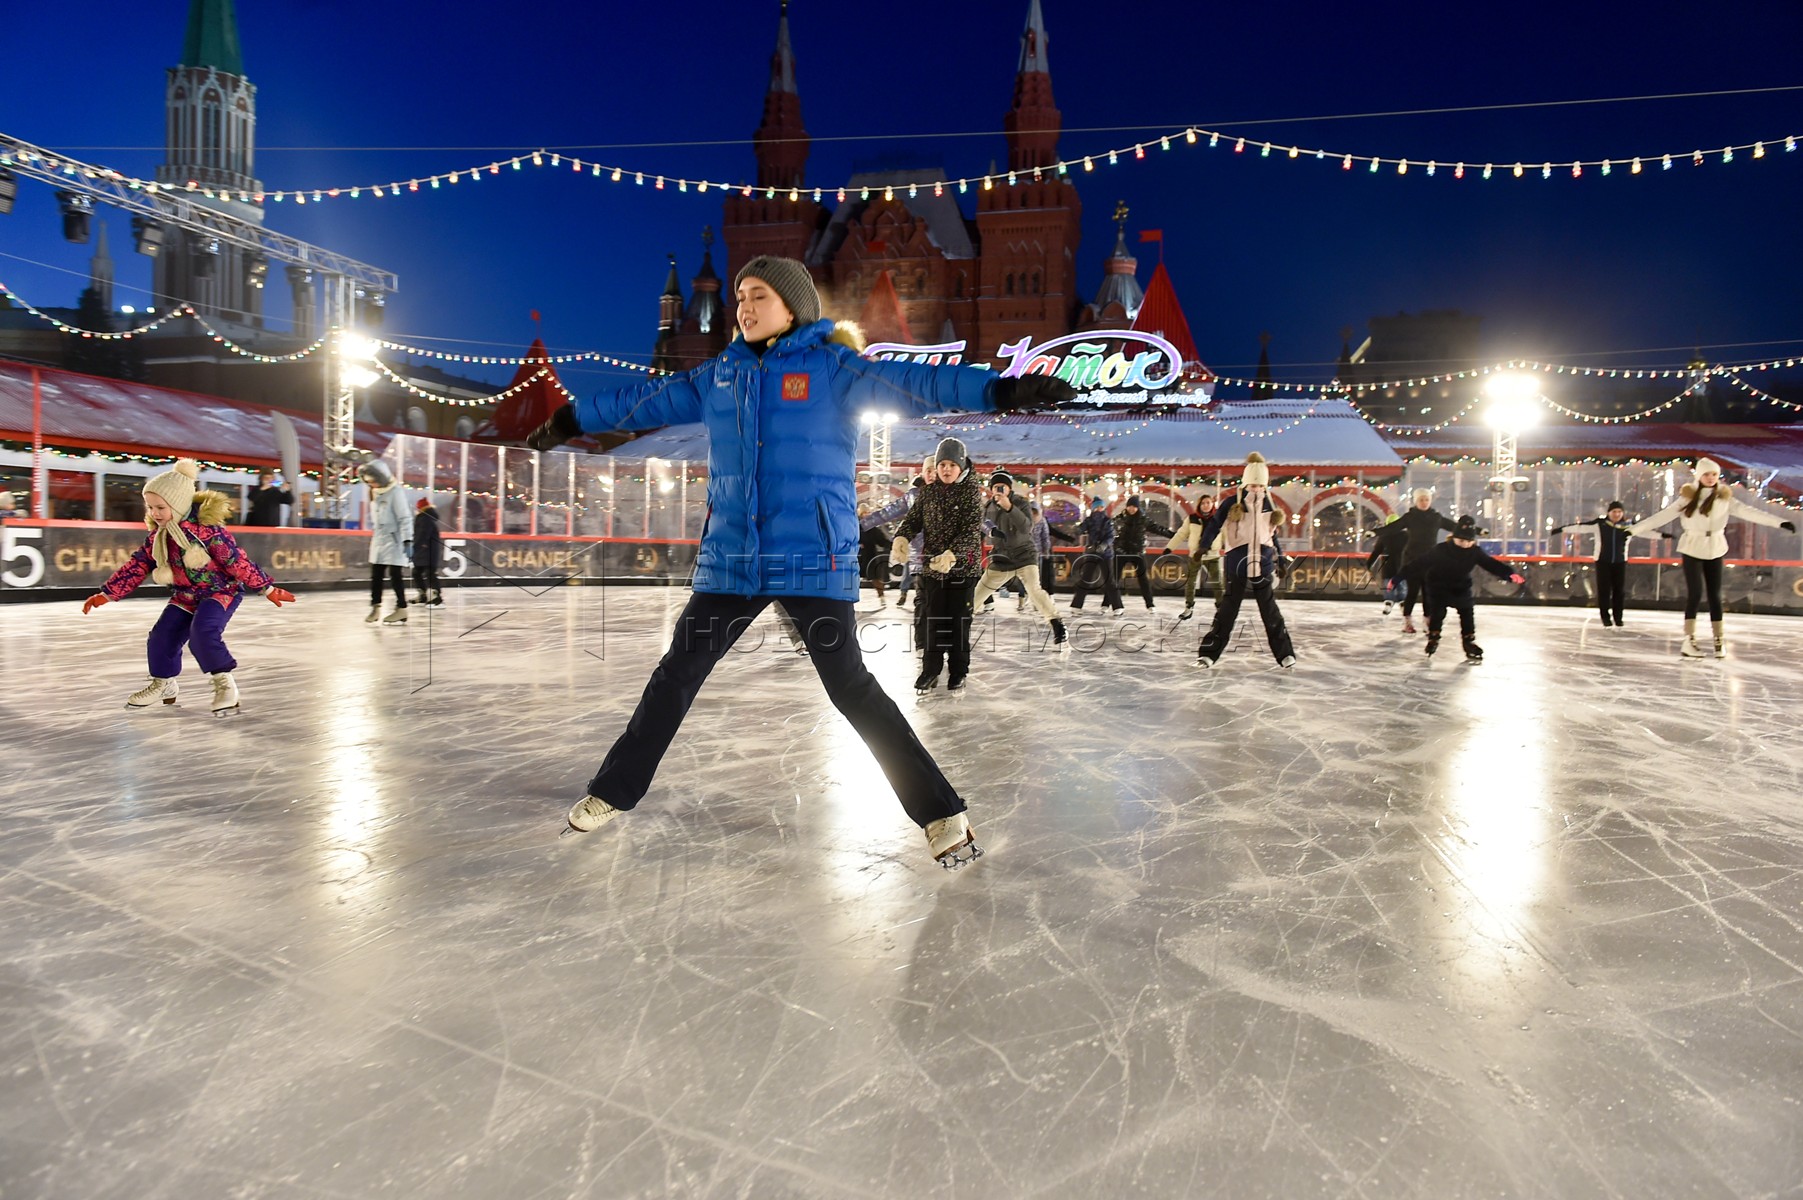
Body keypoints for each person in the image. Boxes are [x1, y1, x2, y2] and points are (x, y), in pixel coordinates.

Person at [525, 254, 1074, 866]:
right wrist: (573, 416)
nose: (745, 306)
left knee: (852, 689)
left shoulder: (833, 369)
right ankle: (613, 791)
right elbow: (645, 401)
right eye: (740, 296)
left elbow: (923, 385)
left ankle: (942, 813)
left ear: (794, 306)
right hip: (733, 559)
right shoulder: (719, 377)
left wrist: (998, 387)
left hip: (811, 556)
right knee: (676, 675)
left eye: (759, 294)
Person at [80, 458, 295, 714]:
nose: (154, 513)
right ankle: (164, 683)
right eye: (150, 507)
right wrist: (108, 593)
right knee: (160, 637)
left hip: (220, 592)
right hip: (185, 595)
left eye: (160, 507)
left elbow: (236, 561)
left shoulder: (208, 532)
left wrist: (267, 588)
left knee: (202, 634)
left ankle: (224, 683)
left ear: (179, 504)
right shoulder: (159, 536)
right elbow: (137, 566)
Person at [1627, 458, 1795, 658]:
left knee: (1715, 596)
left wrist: (1780, 522)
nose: (1711, 478)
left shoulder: (1724, 497)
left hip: (1715, 547)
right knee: (1695, 594)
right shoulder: (1687, 498)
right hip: (1692, 547)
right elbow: (1663, 516)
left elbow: (1750, 512)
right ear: (1699, 476)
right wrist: (1633, 530)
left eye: (1714, 474)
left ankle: (1718, 640)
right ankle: (1689, 640)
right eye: (1707, 474)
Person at [894, 438, 986, 691]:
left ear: (961, 466)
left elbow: (970, 532)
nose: (946, 469)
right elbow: (913, 520)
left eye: (951, 464)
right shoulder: (929, 492)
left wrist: (952, 555)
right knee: (933, 621)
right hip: (933, 568)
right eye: (941, 464)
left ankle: (958, 671)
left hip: (962, 570)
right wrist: (902, 537)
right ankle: (930, 670)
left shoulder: (971, 493)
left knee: (957, 622)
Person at [1195, 453, 1296, 670]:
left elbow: (1272, 534)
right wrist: (1204, 545)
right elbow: (1214, 524)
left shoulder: (1269, 503)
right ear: (1246, 481)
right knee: (1228, 610)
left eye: (1260, 484)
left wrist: (1280, 559)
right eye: (1253, 483)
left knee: (1269, 610)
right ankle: (1208, 654)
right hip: (1237, 563)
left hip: (1263, 563)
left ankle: (1285, 654)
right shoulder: (1233, 502)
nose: (1256, 488)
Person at [1404, 514, 1524, 660]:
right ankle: (1433, 637)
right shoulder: (1441, 549)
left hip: (1460, 586)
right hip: (1439, 585)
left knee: (1467, 611)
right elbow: (1420, 563)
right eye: (1461, 541)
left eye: (1469, 541)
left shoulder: (1475, 551)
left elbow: (1491, 564)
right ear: (1454, 538)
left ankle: (1469, 641)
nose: (1465, 544)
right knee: (1438, 612)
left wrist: (1509, 574)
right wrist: (1399, 576)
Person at [970, 470, 1066, 646]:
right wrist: (989, 530)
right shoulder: (989, 506)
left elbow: (1027, 527)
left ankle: (1057, 625)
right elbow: (982, 525)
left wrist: (1009, 508)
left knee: (1034, 590)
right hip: (1001, 558)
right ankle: (960, 625)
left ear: (1009, 488)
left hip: (1024, 556)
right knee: (978, 594)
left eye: (1002, 487)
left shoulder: (1021, 503)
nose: (998, 490)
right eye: (995, 488)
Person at [1389, 488, 1458, 633]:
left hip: (1430, 561)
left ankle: (1428, 619)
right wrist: (1375, 532)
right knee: (1412, 592)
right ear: (1416, 501)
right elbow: (1392, 528)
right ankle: (1407, 621)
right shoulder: (1410, 517)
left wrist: (1476, 530)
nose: (1424, 502)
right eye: (1421, 499)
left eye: (1426, 499)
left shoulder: (1436, 517)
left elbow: (1455, 527)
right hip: (1412, 560)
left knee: (1428, 592)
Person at [1557, 501, 1633, 627]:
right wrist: (1562, 529)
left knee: (1619, 591)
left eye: (1619, 512)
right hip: (1603, 561)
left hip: (1620, 562)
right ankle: (1605, 617)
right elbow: (1581, 527)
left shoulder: (1628, 526)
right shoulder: (1600, 524)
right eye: (1614, 511)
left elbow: (1645, 530)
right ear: (1609, 512)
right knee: (1604, 590)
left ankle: (1618, 618)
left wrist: (1662, 536)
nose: (1617, 514)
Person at [359, 461, 412, 624]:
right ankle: (375, 607)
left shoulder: (395, 492)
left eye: (372, 480)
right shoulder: (375, 492)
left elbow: (404, 518)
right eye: (368, 481)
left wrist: (407, 540)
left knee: (395, 575)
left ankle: (401, 608)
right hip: (379, 540)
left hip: (395, 541)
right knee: (376, 575)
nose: (370, 484)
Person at [1165, 492, 1222, 619]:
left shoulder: (1218, 519)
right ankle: (1189, 607)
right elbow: (1181, 534)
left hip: (1212, 555)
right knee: (1190, 582)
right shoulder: (1192, 519)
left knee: (1217, 583)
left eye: (1208, 502)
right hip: (1195, 555)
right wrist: (1170, 547)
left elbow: (1227, 535)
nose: (1206, 505)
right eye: (1203, 503)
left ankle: (1221, 608)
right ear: (1199, 505)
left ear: (1212, 504)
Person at [1112, 495, 1174, 611]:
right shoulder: (1120, 518)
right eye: (1129, 506)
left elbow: (1158, 529)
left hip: (1137, 552)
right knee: (1114, 578)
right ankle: (1107, 603)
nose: (1131, 509)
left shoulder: (1143, 519)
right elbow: (1110, 530)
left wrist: (1174, 535)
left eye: (1134, 506)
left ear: (1138, 507)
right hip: (1121, 551)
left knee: (1143, 578)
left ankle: (1149, 603)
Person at [1067, 496, 1124, 613]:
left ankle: (1117, 606)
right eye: (1097, 507)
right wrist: (1076, 531)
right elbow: (1082, 528)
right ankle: (1076, 606)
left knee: (1109, 580)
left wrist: (1103, 545)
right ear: (1093, 508)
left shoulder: (1107, 521)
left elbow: (1110, 536)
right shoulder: (1089, 520)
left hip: (1106, 554)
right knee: (1086, 579)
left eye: (1101, 507)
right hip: (1092, 553)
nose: (1099, 509)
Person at [1365, 513, 1407, 615]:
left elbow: (1376, 552)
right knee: (1399, 585)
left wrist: (1369, 564)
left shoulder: (1386, 536)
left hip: (1392, 565)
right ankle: (1400, 603)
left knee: (1391, 585)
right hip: (1398, 565)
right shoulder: (1405, 535)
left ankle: (1394, 603)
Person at [412, 497, 444, 606]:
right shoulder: (425, 518)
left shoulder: (425, 518)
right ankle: (424, 594)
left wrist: (416, 545)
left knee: (428, 573)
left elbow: (422, 534)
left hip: (426, 550)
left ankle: (436, 596)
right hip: (424, 550)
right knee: (418, 572)